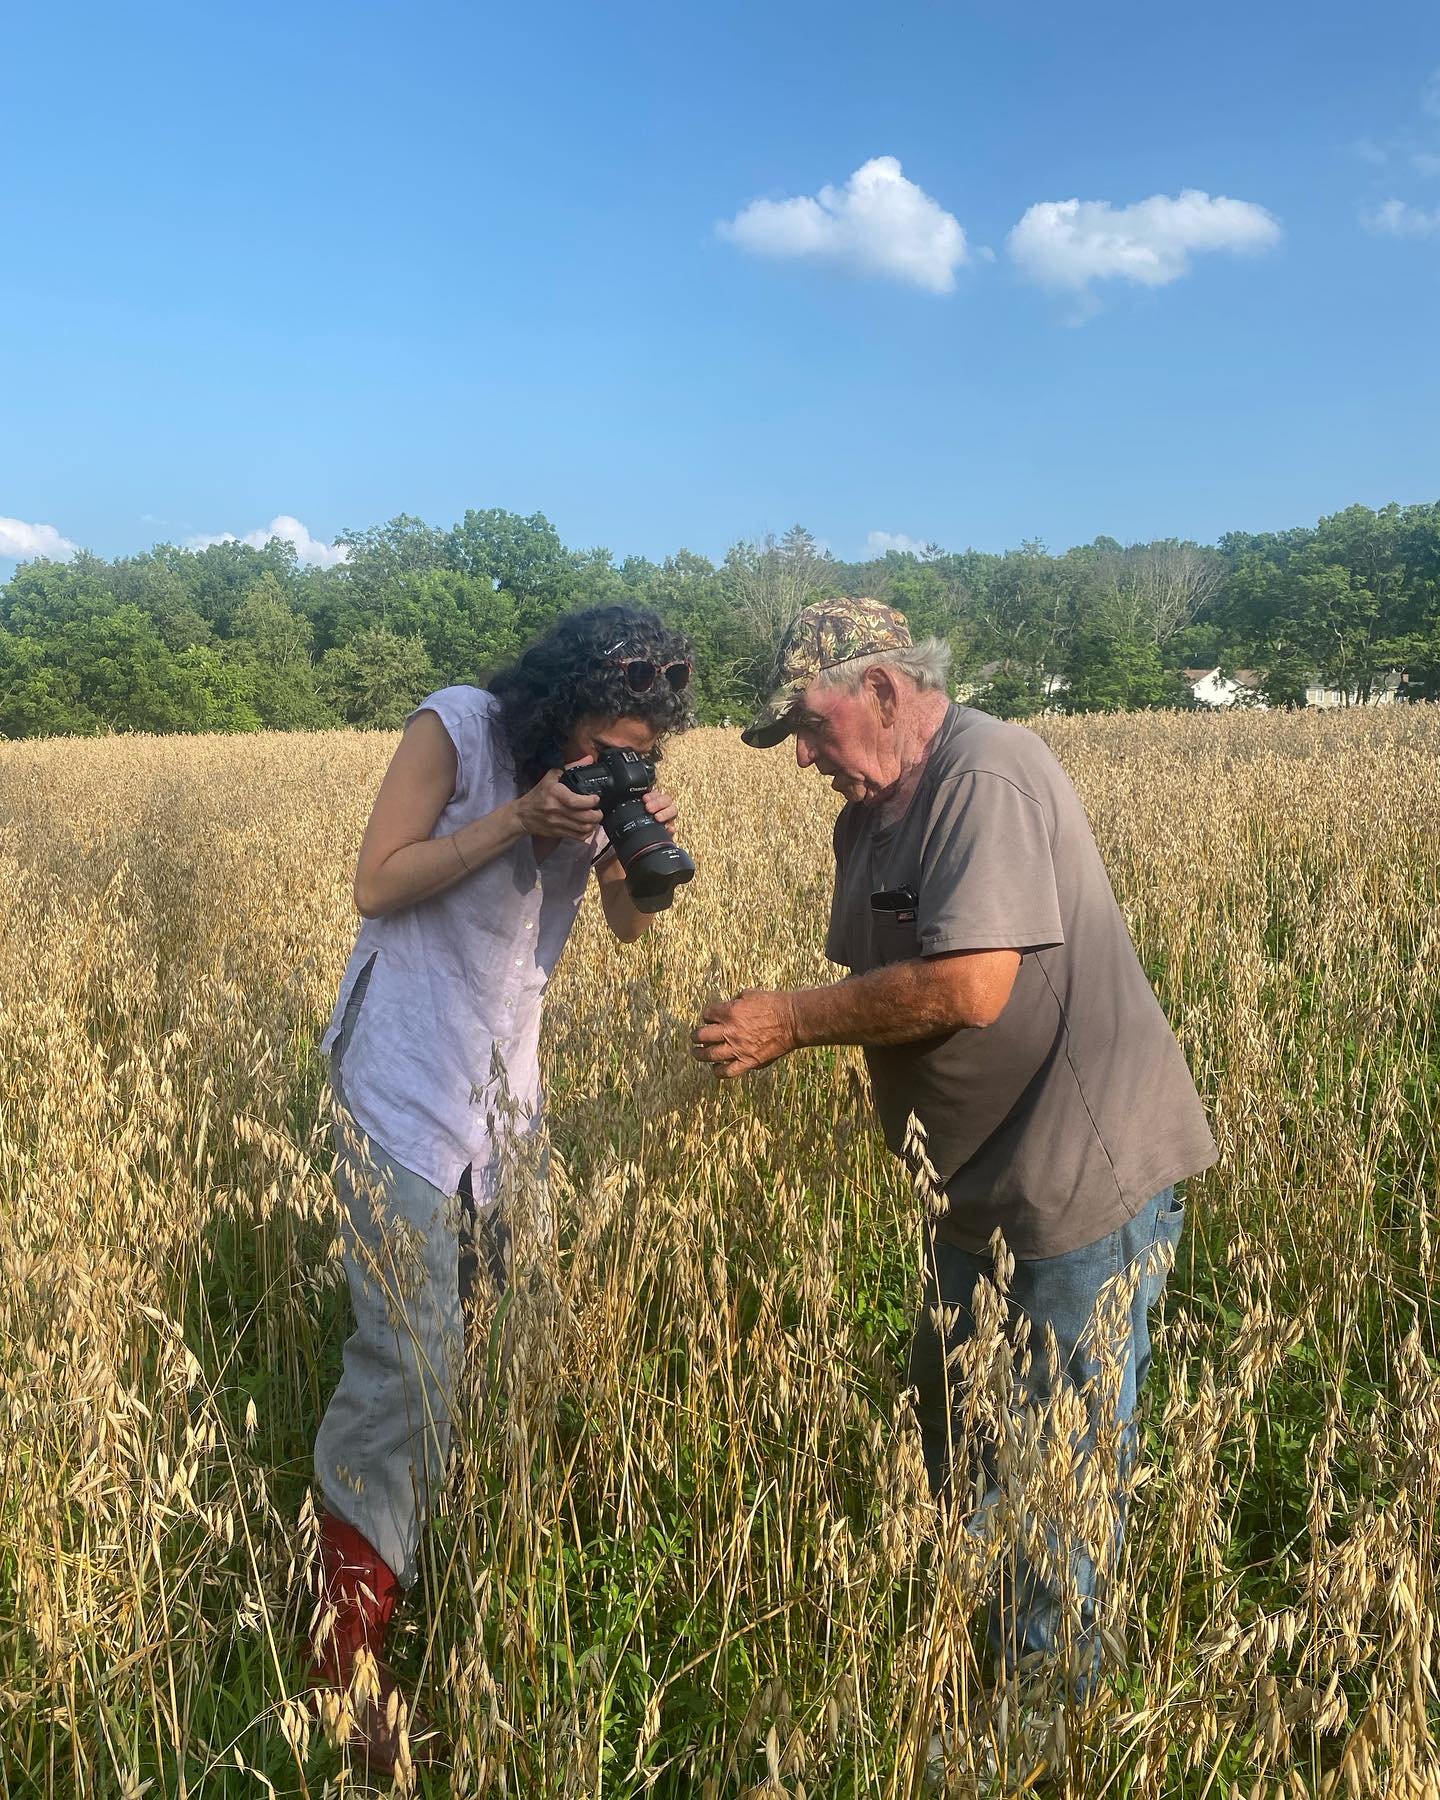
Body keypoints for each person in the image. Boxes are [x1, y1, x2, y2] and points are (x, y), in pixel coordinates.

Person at [690, 596, 1217, 1698]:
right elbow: (884, 987)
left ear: (882, 690)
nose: (803, 761)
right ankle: (982, 1667)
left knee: (1053, 1476)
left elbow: (972, 987)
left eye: (809, 727)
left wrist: (789, 1020)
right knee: (961, 1449)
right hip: (970, 1198)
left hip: (1075, 1188)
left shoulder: (988, 772)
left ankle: (1043, 1724)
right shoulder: (870, 817)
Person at [310, 604, 693, 1772]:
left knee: (486, 1342)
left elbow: (627, 932)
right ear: (554, 709)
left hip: (501, 1104)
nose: (610, 766)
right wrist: (520, 818)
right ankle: (346, 1660)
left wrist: (635, 846)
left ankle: (434, 1557)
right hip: (401, 1080)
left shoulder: (602, 786)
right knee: (408, 1358)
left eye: (638, 752)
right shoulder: (461, 730)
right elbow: (376, 885)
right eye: (602, 747)